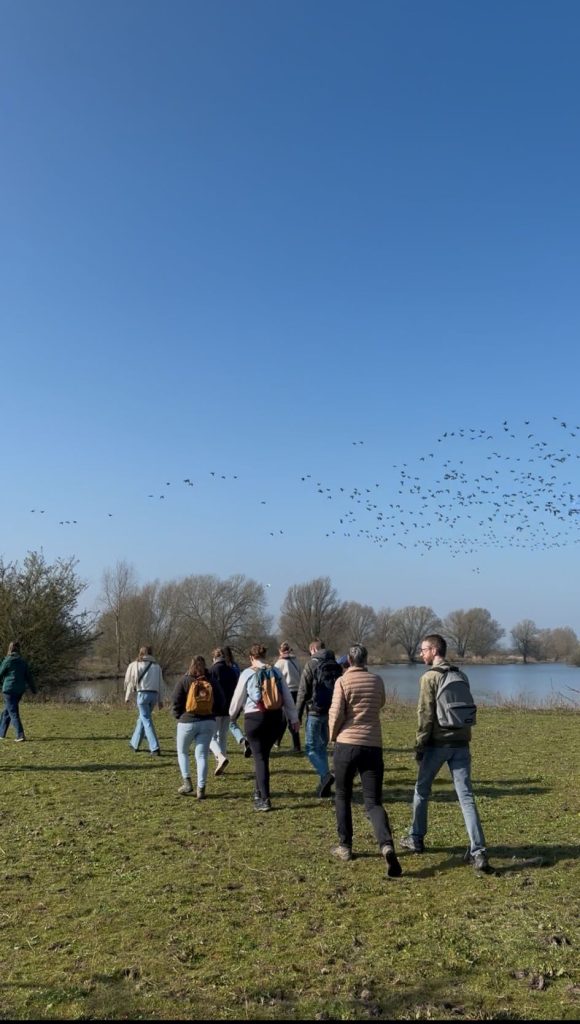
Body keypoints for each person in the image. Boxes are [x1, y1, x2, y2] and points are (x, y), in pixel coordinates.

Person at [399, 634, 493, 873]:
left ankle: (416, 838)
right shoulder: (460, 675)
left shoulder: (429, 677)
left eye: (423, 650)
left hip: (437, 745)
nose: (421, 654)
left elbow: (425, 715)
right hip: (461, 743)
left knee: (421, 790)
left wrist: (419, 746)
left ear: (434, 650)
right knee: (466, 797)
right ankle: (478, 851)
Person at [328, 644, 402, 877]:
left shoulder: (342, 681)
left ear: (349, 660)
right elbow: (380, 703)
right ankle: (387, 845)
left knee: (342, 795)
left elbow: (337, 711)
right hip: (372, 745)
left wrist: (332, 735)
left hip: (347, 744)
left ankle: (345, 846)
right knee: (373, 801)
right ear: (365, 659)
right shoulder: (376, 680)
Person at [229, 643, 299, 811]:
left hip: (254, 719)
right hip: (275, 718)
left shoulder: (247, 673)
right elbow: (287, 698)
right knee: (263, 757)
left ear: (251, 658)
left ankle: (265, 800)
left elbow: (238, 698)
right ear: (264, 656)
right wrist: (294, 718)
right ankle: (258, 791)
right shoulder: (275, 671)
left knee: (260, 758)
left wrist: (231, 716)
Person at [172, 655, 224, 799]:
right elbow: (221, 700)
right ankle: (201, 788)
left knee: (182, 752)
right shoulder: (211, 681)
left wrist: (178, 716)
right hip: (208, 722)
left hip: (187, 722)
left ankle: (187, 782)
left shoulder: (184, 680)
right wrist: (213, 713)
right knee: (201, 756)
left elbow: (176, 701)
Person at [296, 639, 341, 797]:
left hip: (315, 711)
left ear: (314, 649)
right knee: (322, 746)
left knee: (311, 748)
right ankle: (325, 781)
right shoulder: (336, 664)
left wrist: (297, 716)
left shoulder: (311, 665)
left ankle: (325, 775)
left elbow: (302, 692)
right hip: (331, 712)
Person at [208, 647, 247, 775]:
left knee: (211, 737)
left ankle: (220, 757)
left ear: (214, 658)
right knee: (223, 737)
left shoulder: (212, 670)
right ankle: (221, 764)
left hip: (216, 709)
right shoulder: (231, 670)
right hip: (229, 709)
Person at [124, 645, 164, 755]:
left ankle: (155, 747)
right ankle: (134, 743)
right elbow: (161, 684)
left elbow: (131, 682)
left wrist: (127, 697)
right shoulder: (157, 667)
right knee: (142, 719)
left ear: (141, 653)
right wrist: (161, 700)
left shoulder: (135, 665)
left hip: (142, 695)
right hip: (154, 696)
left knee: (146, 720)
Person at [0, 641, 36, 742]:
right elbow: (29, 677)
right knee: (7, 711)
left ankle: (20, 735)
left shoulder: (8, 660)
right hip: (19, 690)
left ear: (10, 649)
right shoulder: (23, 662)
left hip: (9, 689)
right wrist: (34, 689)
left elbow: (0, 673)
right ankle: (1, 734)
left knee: (12, 712)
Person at [273, 641, 301, 753]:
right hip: (297, 691)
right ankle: (278, 741)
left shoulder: (280, 663)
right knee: (289, 718)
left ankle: (296, 745)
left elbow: (274, 677)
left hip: (286, 691)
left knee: (286, 719)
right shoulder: (296, 660)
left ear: (280, 650)